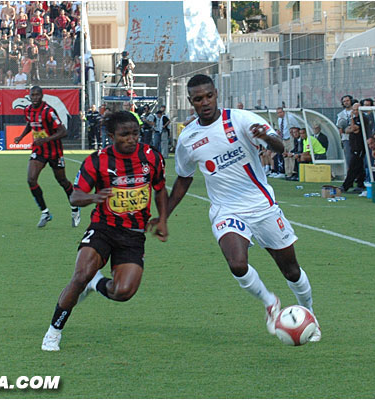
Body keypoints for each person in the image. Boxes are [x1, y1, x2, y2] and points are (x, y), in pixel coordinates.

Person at [165, 74, 321, 341]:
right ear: (191, 102)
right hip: (227, 211)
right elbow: (184, 177)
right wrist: (164, 215)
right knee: (237, 264)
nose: (205, 103)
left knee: (291, 270)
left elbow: (279, 146)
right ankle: (270, 302)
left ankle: (308, 313)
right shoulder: (188, 138)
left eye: (209, 96)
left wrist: (266, 138)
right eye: (198, 99)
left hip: (263, 207)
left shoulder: (241, 119)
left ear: (216, 94)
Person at [41, 111, 168, 351]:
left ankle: (96, 284)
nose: (132, 139)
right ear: (111, 136)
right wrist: (93, 197)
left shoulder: (151, 157)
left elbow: (160, 188)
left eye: (135, 134)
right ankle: (54, 331)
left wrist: (163, 219)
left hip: (133, 235)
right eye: (125, 134)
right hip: (103, 228)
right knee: (80, 276)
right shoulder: (97, 160)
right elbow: (75, 196)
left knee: (123, 292)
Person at [14, 86, 81, 228]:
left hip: (54, 151)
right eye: (33, 95)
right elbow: (30, 124)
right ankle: (45, 212)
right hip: (39, 150)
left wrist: (45, 140)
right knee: (31, 179)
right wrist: (21, 136)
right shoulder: (28, 110)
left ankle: (75, 209)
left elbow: (63, 132)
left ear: (42, 96)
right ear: (30, 96)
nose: (35, 97)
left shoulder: (48, 111)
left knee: (62, 180)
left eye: (38, 95)